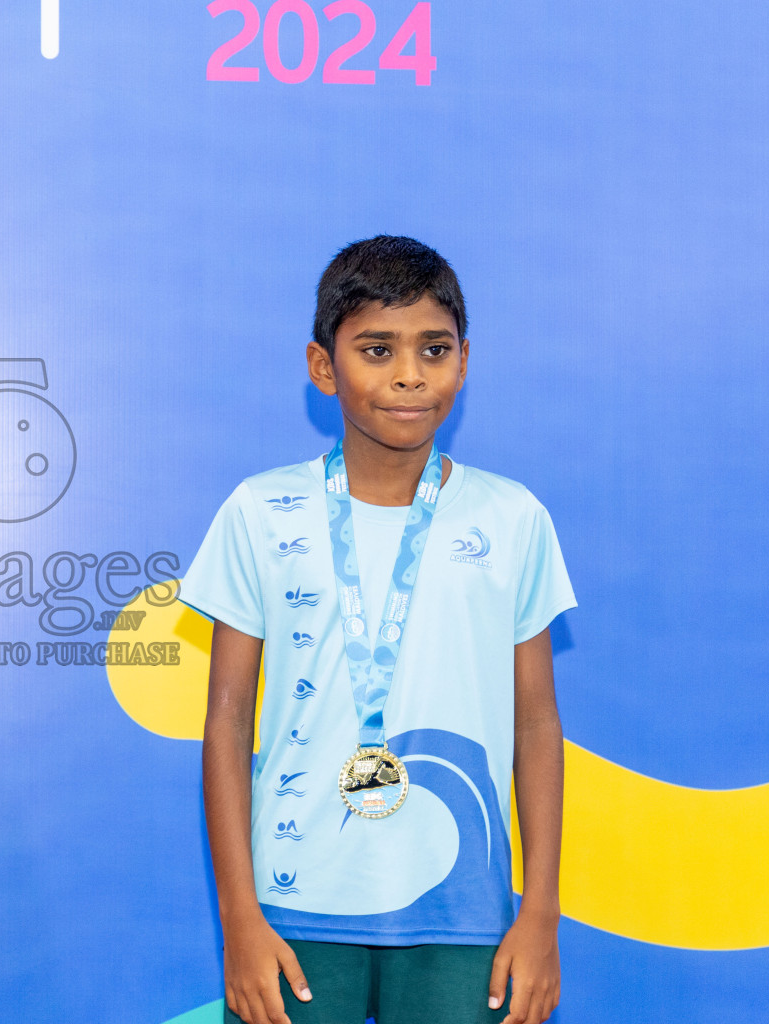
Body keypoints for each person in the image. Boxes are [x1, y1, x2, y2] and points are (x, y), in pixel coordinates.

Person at [181, 236, 572, 1024]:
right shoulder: (260, 511)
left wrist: (540, 915)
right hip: (292, 910)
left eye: (433, 349)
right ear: (323, 367)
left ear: (463, 360)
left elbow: (536, 721)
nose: (408, 375)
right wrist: (240, 920)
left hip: (465, 916)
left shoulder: (513, 517)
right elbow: (225, 722)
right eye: (375, 349)